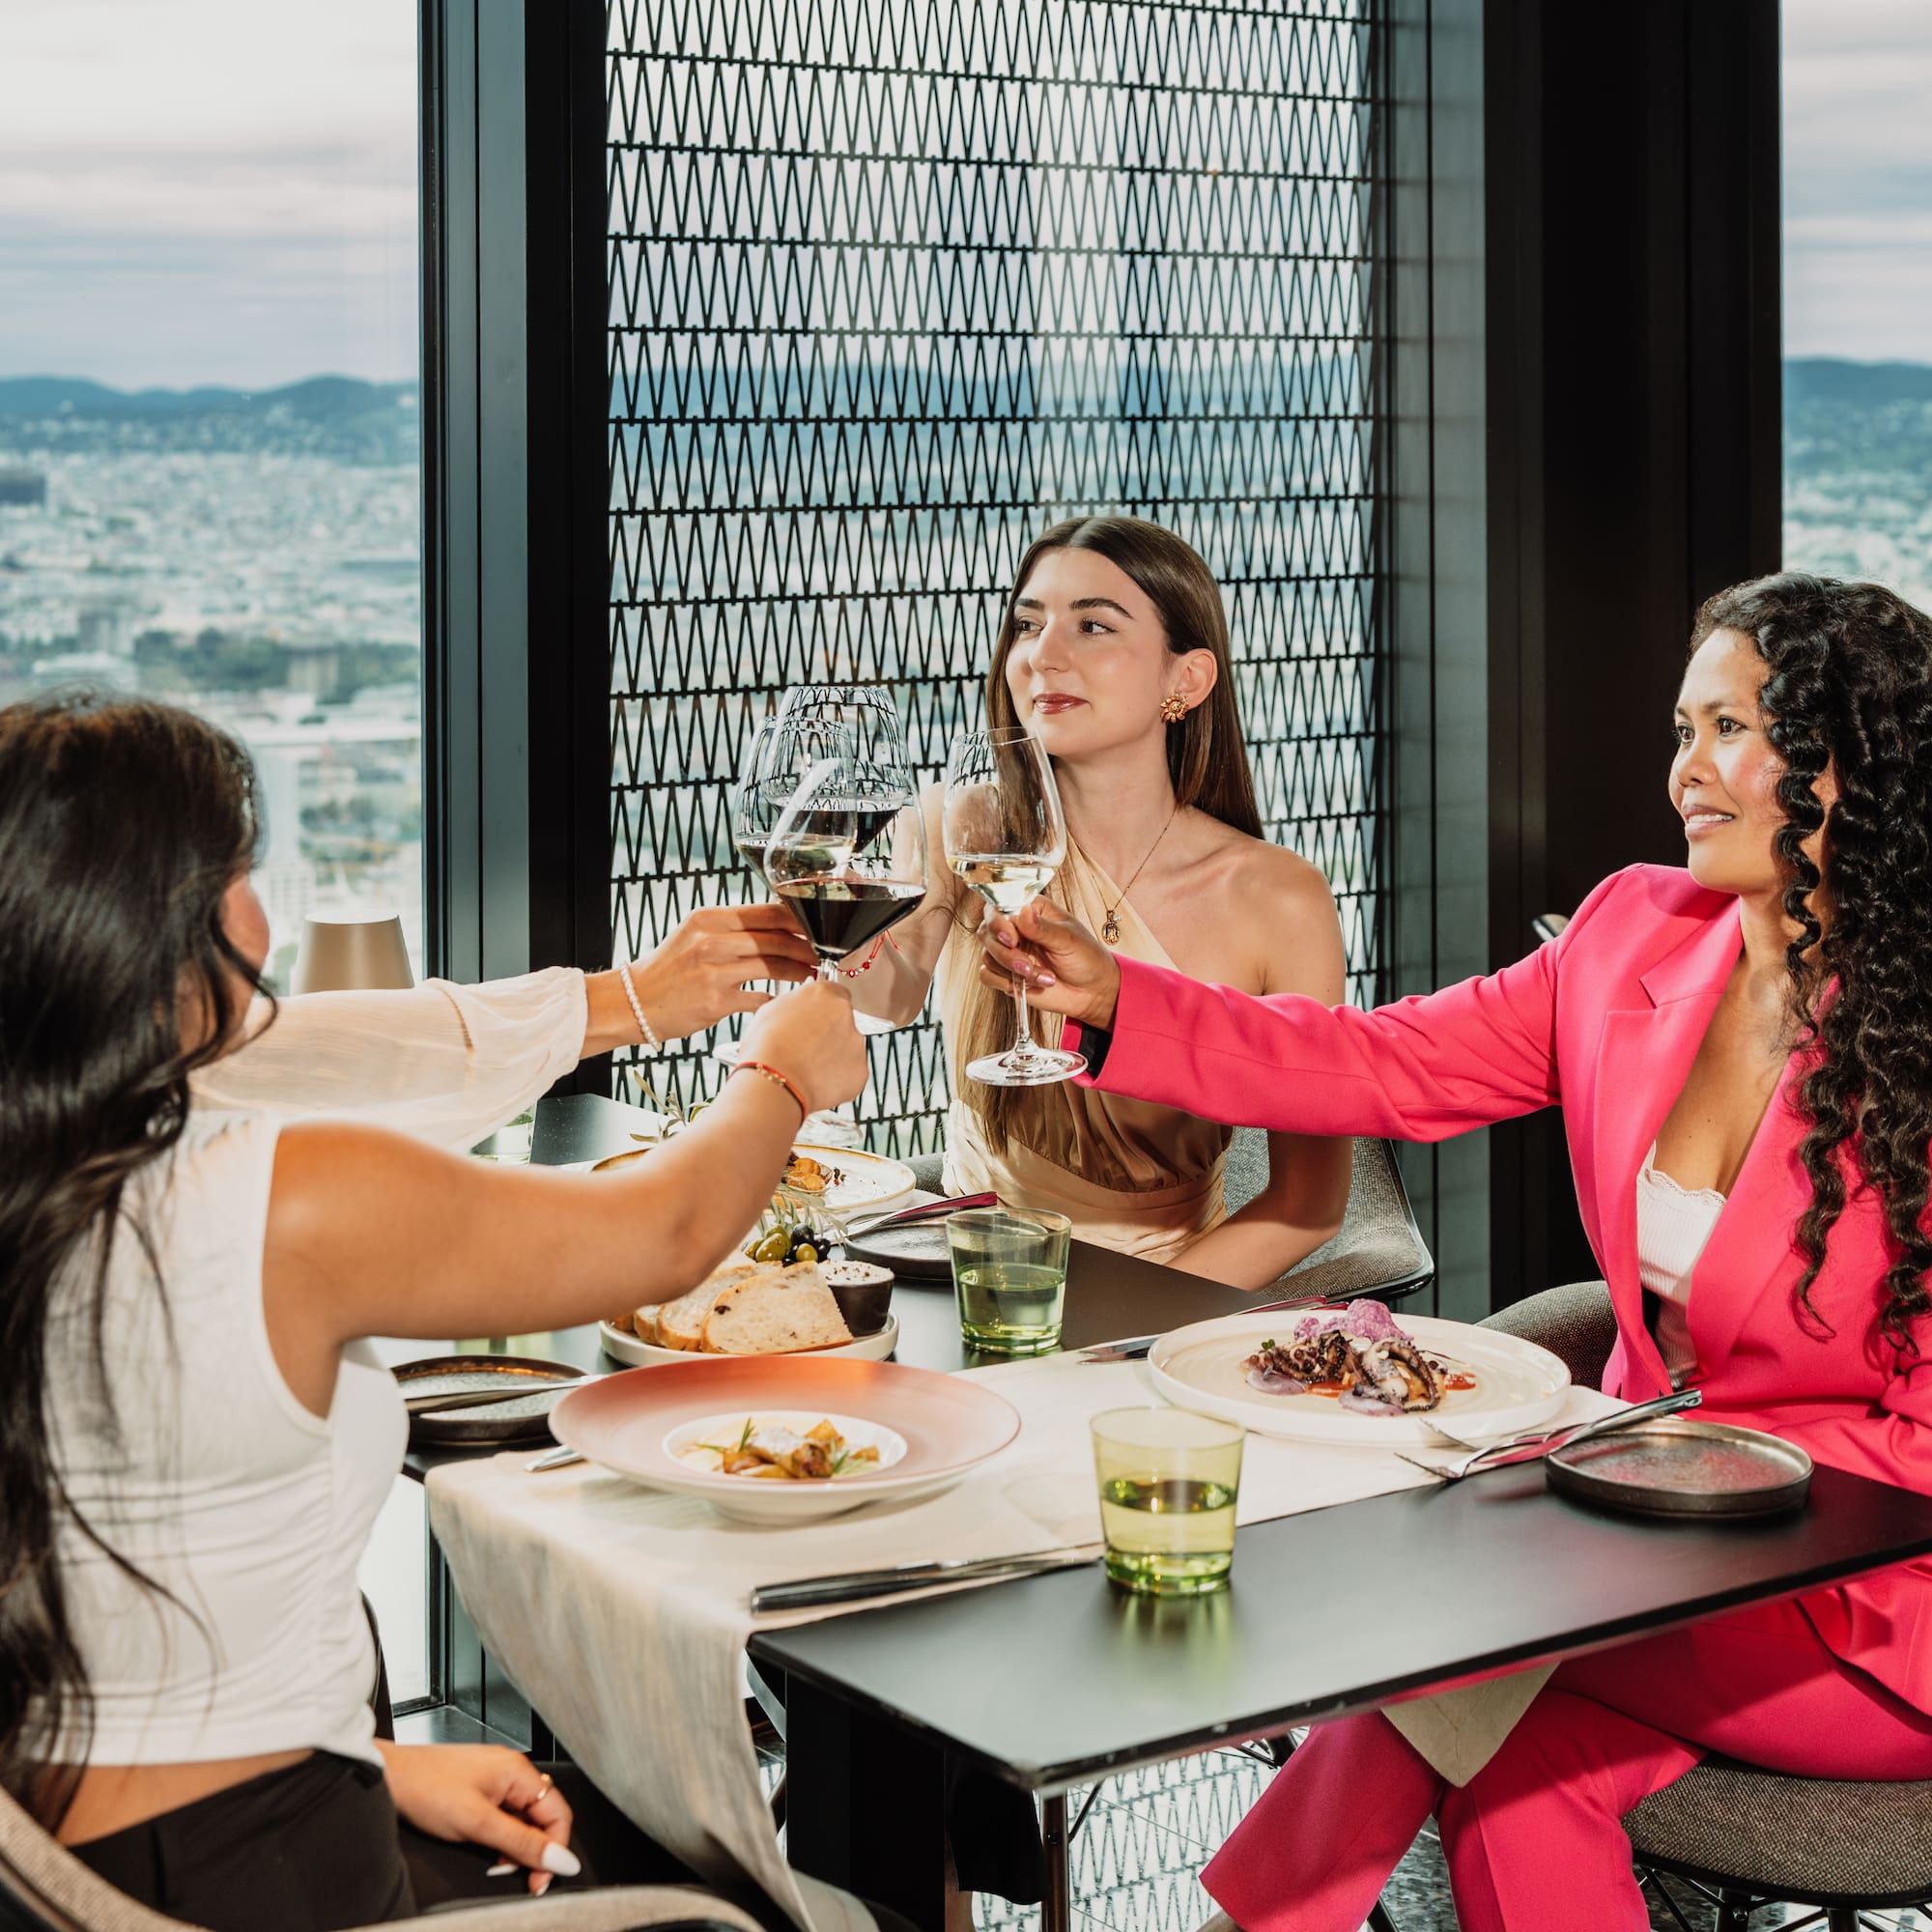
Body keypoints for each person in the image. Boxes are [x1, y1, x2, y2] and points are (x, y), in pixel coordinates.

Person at [978, 573, 1932, 1932]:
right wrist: (1122, 995)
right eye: (1680, 731)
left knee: (1438, 1642)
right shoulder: (1629, 937)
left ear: (1852, 758)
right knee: (1519, 1765)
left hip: (1876, 1602)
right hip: (1653, 1540)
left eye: (1733, 729)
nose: (1687, 773)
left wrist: (1647, 1468)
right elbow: (1383, 1064)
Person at [0, 693, 868, 1932]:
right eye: (240, 872)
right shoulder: (275, 1199)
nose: (265, 910)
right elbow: (662, 1236)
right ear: (159, 919)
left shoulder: (45, 1159)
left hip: (81, 1848)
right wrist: (779, 1071)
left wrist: (374, 1759)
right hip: (261, 1867)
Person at [854, 515, 1351, 1287]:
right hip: (970, 1278)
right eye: (1028, 624)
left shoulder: (1281, 899)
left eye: (1092, 625)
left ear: (1184, 681)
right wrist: (830, 916)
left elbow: (1310, 1203)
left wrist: (1123, 1330)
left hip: (1170, 1301)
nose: (1042, 654)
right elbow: (877, 999)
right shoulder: (967, 827)